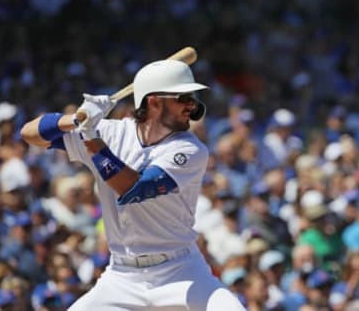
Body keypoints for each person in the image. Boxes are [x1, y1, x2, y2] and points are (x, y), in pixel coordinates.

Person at [20, 59, 246, 310]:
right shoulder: (111, 132)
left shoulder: (190, 148)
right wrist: (76, 119)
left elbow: (132, 189)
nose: (191, 104)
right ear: (154, 102)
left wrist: (91, 138)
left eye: (191, 97)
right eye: (182, 97)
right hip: (122, 275)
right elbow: (30, 134)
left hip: (180, 270)